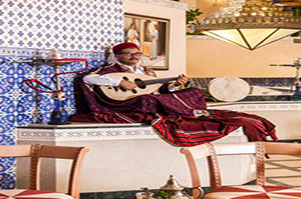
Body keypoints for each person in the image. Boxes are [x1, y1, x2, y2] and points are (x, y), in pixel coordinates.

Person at [72, 42, 277, 145]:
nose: (134, 57)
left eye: (137, 54)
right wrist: (118, 81)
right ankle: (183, 113)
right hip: (123, 103)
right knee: (147, 99)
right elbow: (87, 79)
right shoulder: (109, 70)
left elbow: (160, 90)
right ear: (118, 56)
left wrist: (174, 86)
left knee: (193, 91)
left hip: (146, 96)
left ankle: (190, 113)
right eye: (129, 54)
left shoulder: (146, 71)